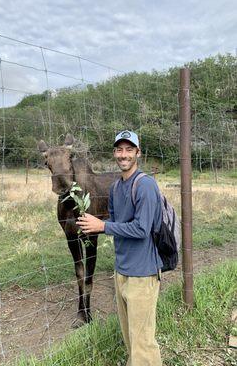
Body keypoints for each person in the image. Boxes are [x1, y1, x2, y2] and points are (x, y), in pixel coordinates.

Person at [77, 130, 163, 366]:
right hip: (121, 271)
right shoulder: (115, 189)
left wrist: (102, 226)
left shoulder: (145, 185)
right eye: (119, 149)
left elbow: (142, 229)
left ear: (138, 153)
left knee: (143, 341)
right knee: (130, 338)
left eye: (129, 149)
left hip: (143, 273)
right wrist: (96, 227)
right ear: (114, 153)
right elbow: (117, 224)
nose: (123, 155)